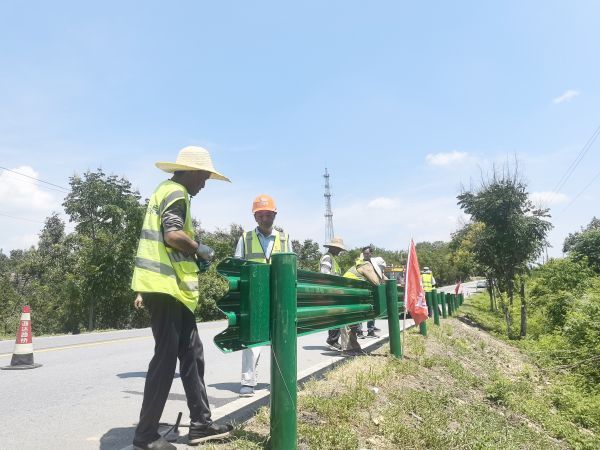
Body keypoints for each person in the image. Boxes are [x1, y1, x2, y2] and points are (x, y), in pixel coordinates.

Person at [130, 146, 233, 450]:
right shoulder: (175, 192)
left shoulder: (166, 191)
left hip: (172, 290)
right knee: (165, 358)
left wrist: (191, 253)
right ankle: (145, 435)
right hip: (166, 288)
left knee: (191, 354)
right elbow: (171, 235)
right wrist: (199, 248)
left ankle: (201, 424)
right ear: (190, 172)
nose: (204, 183)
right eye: (203, 176)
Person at [234, 194, 291, 397]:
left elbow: (290, 268)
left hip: (279, 295)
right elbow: (237, 267)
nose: (265, 218)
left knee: (281, 337)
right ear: (255, 217)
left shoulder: (285, 239)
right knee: (252, 340)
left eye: (268, 214)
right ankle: (248, 382)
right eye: (261, 215)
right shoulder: (245, 238)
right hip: (254, 295)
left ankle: (282, 377)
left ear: (274, 215)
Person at [341, 247, 386, 355]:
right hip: (347, 295)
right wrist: (382, 278)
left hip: (350, 294)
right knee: (348, 323)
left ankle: (354, 347)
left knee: (353, 324)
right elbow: (376, 282)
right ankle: (346, 349)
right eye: (381, 269)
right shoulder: (366, 265)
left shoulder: (363, 264)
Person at [320, 236, 347, 351]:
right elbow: (324, 273)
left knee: (336, 316)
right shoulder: (327, 257)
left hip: (334, 291)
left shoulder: (333, 258)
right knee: (336, 316)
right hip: (330, 291)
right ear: (333, 247)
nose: (340, 251)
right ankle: (332, 339)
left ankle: (333, 339)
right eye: (339, 249)